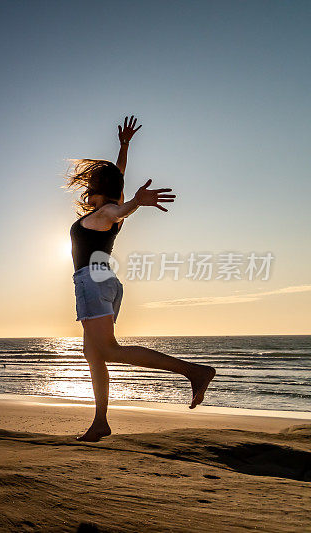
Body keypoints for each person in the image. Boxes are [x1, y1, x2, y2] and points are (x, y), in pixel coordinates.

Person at [66, 115, 216, 442]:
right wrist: (124, 147)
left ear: (97, 190)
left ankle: (195, 372)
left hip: (91, 281)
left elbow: (120, 210)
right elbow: (118, 187)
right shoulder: (106, 208)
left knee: (107, 350)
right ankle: (100, 422)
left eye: (91, 185)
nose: (86, 190)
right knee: (94, 354)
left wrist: (136, 202)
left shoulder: (107, 212)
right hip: (103, 279)